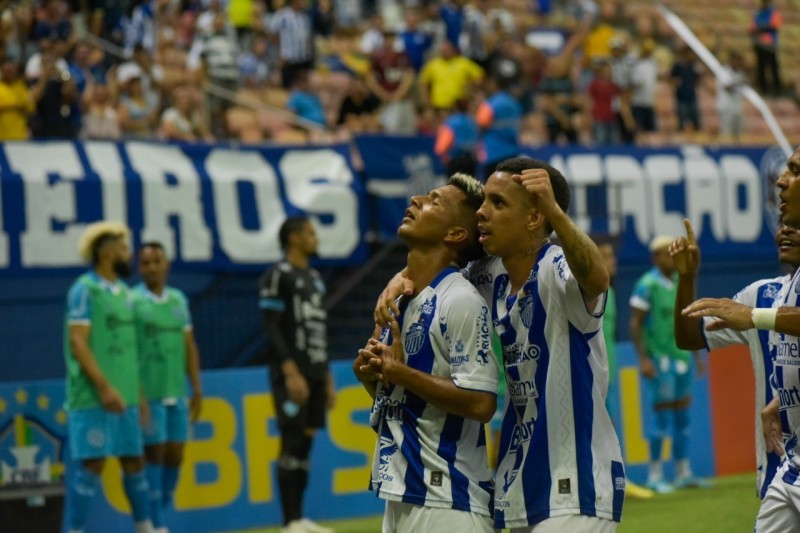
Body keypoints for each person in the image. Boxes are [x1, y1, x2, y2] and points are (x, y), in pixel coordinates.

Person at [378, 157, 625, 530]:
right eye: (484, 202)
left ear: (535, 217)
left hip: (576, 481)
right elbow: (434, 267)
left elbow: (597, 279)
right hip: (520, 480)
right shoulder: (490, 275)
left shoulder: (557, 268)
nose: (482, 212)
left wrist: (556, 213)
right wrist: (400, 277)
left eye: (498, 203)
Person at [354, 173, 498, 533]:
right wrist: (373, 377)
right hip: (402, 493)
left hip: (449, 499)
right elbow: (406, 401)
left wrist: (398, 373)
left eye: (434, 200)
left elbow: (482, 403)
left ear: (456, 234)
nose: (416, 199)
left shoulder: (460, 300)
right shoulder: (398, 300)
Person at [683, 146, 800, 531]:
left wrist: (753, 317)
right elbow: (690, 336)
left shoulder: (763, 305)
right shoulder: (780, 288)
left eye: (795, 171)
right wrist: (780, 399)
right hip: (790, 464)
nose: (781, 180)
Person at [673, 220, 800, 499]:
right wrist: (686, 278)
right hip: (777, 466)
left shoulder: (754, 310)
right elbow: (690, 337)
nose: (786, 230)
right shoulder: (761, 295)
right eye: (783, 224)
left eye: (797, 224)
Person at [64, 221, 153, 533]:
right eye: (123, 248)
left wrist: (139, 396)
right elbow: (78, 342)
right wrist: (103, 387)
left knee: (134, 462)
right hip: (92, 396)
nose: (129, 255)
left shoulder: (126, 295)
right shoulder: (84, 290)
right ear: (106, 253)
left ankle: (145, 528)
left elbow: (128, 351)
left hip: (126, 396)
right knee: (93, 464)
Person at [258, 217, 336, 533]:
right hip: (292, 374)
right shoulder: (278, 275)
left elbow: (320, 329)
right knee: (291, 441)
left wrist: (326, 377)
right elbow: (271, 327)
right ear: (293, 238)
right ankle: (288, 521)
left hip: (315, 371)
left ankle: (300, 517)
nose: (316, 238)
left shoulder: (315, 278)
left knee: (305, 442)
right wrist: (290, 371)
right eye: (310, 233)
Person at [133, 242, 203, 533]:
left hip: (177, 391)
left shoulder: (178, 300)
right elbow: (128, 351)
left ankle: (157, 513)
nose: (151, 267)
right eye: (145, 263)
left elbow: (189, 345)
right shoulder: (133, 301)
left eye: (156, 261)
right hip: (150, 393)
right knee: (154, 455)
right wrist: (137, 394)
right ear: (139, 268)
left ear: (166, 265)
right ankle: (157, 524)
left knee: (176, 455)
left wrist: (196, 387)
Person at [629, 236, 706, 493]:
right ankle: (654, 475)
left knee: (683, 418)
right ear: (655, 257)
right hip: (660, 360)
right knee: (661, 418)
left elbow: (689, 323)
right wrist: (643, 358)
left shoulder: (679, 282)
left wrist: (696, 356)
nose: (673, 259)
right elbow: (635, 323)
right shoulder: (647, 285)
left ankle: (683, 472)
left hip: (681, 358)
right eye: (667, 254)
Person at [598, 239, 654, 500]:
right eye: (606, 256)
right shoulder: (591, 294)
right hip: (593, 377)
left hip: (607, 374)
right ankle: (612, 483)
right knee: (600, 432)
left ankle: (615, 481)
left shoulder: (609, 292)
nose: (613, 262)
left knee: (608, 430)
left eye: (612, 256)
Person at [476, 76, 522, 180]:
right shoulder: (514, 103)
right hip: (512, 152)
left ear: (495, 85)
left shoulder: (490, 104)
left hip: (493, 153)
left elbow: (481, 123)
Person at [750, 0, 782, 96]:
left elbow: (775, 26)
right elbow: (752, 29)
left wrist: (760, 29)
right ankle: (763, 90)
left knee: (773, 68)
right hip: (760, 45)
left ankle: (777, 90)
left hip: (770, 46)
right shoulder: (757, 14)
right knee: (761, 68)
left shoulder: (773, 13)